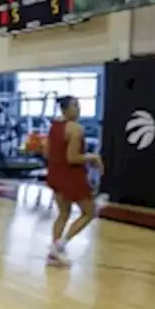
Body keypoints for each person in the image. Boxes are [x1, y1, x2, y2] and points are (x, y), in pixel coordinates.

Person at [45, 95, 102, 266]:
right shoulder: (76, 129)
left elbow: (48, 152)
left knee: (63, 213)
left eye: (79, 105)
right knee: (90, 212)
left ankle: (55, 250)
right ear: (65, 109)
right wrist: (93, 157)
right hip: (71, 176)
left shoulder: (54, 126)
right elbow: (73, 158)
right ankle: (60, 246)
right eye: (75, 106)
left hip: (55, 173)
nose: (79, 109)